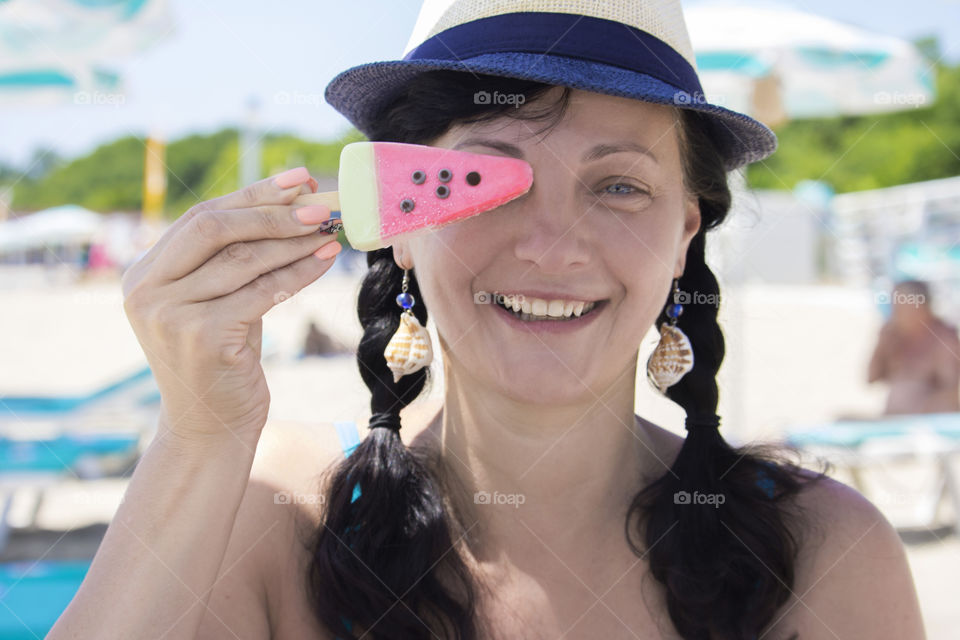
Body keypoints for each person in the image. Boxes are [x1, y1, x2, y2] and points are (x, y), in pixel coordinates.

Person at [48, 1, 926, 639]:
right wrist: (199, 440)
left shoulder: (822, 552)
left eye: (618, 185)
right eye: (489, 182)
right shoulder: (281, 514)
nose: (552, 247)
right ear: (399, 219)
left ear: (684, 230)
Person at [868, 280, 960, 415]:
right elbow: (871, 378)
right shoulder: (892, 335)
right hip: (894, 418)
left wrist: (917, 406)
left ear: (924, 308)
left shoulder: (943, 337)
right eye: (895, 307)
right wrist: (882, 345)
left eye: (904, 308)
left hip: (930, 419)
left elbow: (952, 393)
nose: (897, 314)